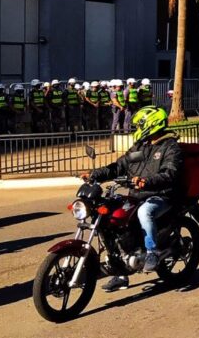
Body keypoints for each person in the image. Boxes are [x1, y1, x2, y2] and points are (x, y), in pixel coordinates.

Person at [84, 106, 183, 291]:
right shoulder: (140, 146)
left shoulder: (170, 146)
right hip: (138, 195)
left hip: (162, 195)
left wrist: (147, 181)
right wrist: (95, 174)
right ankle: (120, 273)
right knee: (113, 219)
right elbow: (119, 166)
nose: (137, 128)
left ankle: (152, 252)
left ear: (152, 124)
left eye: (140, 124)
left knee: (146, 212)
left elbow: (171, 173)